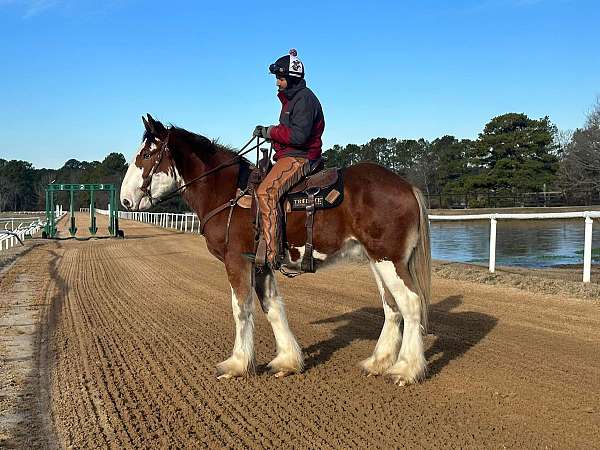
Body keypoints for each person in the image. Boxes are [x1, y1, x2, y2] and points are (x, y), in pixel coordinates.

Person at [252, 49, 325, 269]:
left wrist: (270, 132)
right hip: (290, 154)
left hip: (301, 157)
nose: (277, 83)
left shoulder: (304, 100)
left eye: (281, 79)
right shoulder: (292, 99)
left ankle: (273, 255)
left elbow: (299, 136)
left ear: (292, 80)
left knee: (266, 193)